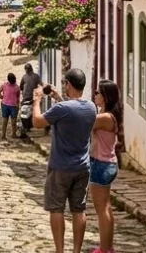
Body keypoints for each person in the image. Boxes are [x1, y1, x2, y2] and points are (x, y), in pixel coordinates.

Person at [30, 68, 96, 253]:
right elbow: (72, 111)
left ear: (69, 84)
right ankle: (76, 250)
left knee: (57, 209)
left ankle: (60, 250)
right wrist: (59, 98)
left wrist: (37, 100)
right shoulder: (91, 107)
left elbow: (37, 122)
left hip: (60, 167)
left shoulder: (62, 109)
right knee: (78, 209)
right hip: (82, 167)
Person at [89, 80, 124, 253]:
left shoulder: (104, 118)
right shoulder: (107, 114)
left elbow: (82, 122)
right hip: (106, 164)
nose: (95, 94)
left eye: (98, 92)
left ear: (106, 96)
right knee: (106, 207)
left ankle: (104, 249)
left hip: (100, 165)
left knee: (101, 209)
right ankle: (107, 247)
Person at [0, 72, 21, 141]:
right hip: (13, 106)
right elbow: (18, 98)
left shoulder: (4, 85)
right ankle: (13, 134)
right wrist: (18, 105)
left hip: (5, 104)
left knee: (5, 121)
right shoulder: (17, 87)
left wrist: (2, 97)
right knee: (13, 122)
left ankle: (3, 135)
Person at [18, 63, 42, 140]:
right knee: (32, 111)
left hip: (27, 97)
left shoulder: (25, 76)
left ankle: (26, 126)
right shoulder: (36, 76)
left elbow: (21, 86)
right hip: (31, 97)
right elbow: (41, 84)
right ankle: (28, 126)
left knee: (25, 111)